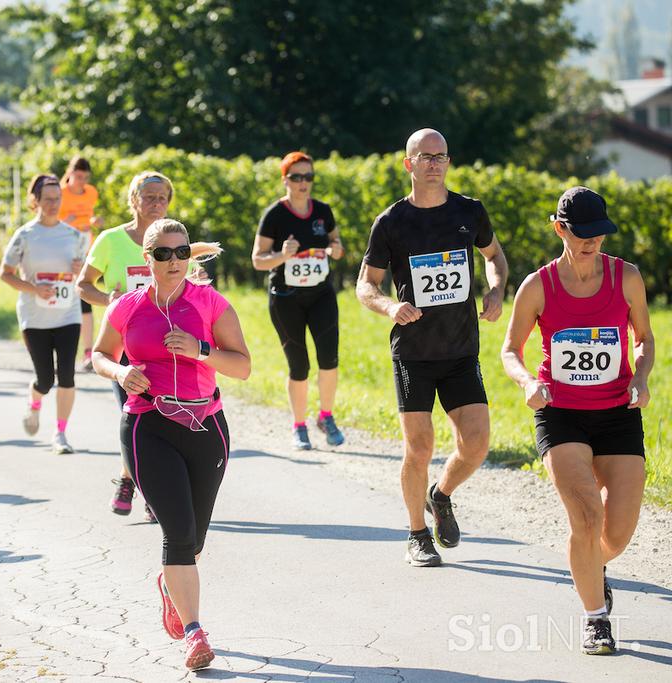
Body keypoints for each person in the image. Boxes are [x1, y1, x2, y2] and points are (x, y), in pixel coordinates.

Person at [92, 218, 250, 671]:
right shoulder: (126, 307)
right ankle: (195, 633)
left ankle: (169, 585)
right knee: (178, 534)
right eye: (164, 254)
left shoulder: (211, 303)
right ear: (148, 259)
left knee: (194, 540)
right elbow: (99, 355)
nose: (174, 261)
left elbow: (242, 367)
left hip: (205, 426)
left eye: (182, 252)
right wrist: (122, 373)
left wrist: (200, 349)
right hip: (148, 425)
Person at [501, 187, 653, 655]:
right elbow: (510, 350)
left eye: (599, 235)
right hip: (561, 413)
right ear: (560, 229)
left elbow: (644, 338)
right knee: (586, 517)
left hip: (618, 413)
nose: (591, 243)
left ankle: (592, 567)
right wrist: (527, 382)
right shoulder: (537, 286)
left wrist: (641, 377)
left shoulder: (625, 277)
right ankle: (595, 619)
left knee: (617, 534)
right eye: (581, 235)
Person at [356, 128, 508, 567]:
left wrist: (496, 290)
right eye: (425, 156)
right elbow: (366, 284)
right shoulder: (392, 223)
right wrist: (389, 306)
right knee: (419, 446)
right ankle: (416, 533)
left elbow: (494, 256)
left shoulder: (469, 211)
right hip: (414, 353)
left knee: (477, 443)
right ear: (409, 163)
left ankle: (440, 495)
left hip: (461, 349)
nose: (434, 163)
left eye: (440, 156)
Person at [77, 171, 174, 520]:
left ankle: (128, 479)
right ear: (133, 200)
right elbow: (82, 285)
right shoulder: (110, 240)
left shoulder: (175, 238)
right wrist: (108, 299)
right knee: (137, 418)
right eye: (148, 196)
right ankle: (147, 490)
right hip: (126, 348)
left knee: (161, 417)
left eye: (162, 197)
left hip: (168, 346)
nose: (156, 203)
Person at [252, 151, 346, 450]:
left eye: (308, 176)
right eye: (297, 177)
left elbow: (337, 244)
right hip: (286, 298)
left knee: (329, 359)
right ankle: (299, 425)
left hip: (321, 294)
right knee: (299, 364)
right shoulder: (275, 215)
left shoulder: (323, 211)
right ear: (285, 180)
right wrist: (282, 255)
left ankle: (327, 416)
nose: (303, 182)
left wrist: (335, 250)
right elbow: (257, 260)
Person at [1, 175, 89, 454]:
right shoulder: (25, 235)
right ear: (35, 201)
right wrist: (34, 288)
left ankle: (60, 434)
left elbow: (86, 276)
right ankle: (35, 399)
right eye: (48, 199)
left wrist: (80, 271)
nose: (53, 204)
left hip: (68, 314)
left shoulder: (74, 236)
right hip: (34, 316)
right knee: (45, 379)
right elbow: (5, 274)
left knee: (66, 375)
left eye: (57, 199)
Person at [58, 156, 105, 372]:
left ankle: (88, 352)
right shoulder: (59, 193)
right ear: (70, 173)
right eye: (78, 176)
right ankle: (59, 350)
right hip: (63, 252)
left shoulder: (92, 192)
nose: (81, 182)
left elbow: (89, 216)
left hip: (85, 250)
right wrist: (69, 221)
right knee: (63, 300)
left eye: (85, 177)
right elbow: (51, 222)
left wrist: (93, 222)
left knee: (85, 299)